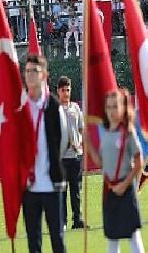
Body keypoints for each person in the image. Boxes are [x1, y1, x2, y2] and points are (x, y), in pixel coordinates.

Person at [85, 89, 145, 253]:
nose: (111, 111)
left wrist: (125, 184)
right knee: (112, 238)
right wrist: (88, 144)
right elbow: (101, 163)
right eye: (109, 107)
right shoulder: (106, 134)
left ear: (122, 108)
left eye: (115, 107)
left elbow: (139, 162)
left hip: (126, 189)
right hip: (109, 190)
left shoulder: (128, 132)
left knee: (133, 236)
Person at [22, 55, 69, 253]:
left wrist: (52, 162)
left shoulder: (53, 106)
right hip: (29, 186)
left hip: (52, 183)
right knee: (34, 241)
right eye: (27, 71)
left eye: (35, 71)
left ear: (44, 75)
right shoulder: (20, 107)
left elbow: (63, 139)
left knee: (57, 238)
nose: (30, 75)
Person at [57, 76, 86, 229]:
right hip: (61, 157)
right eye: (63, 90)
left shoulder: (75, 107)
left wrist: (81, 143)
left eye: (68, 89)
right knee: (62, 191)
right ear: (58, 91)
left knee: (76, 190)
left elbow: (81, 128)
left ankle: (77, 219)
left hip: (75, 155)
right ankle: (62, 222)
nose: (66, 93)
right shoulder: (56, 109)